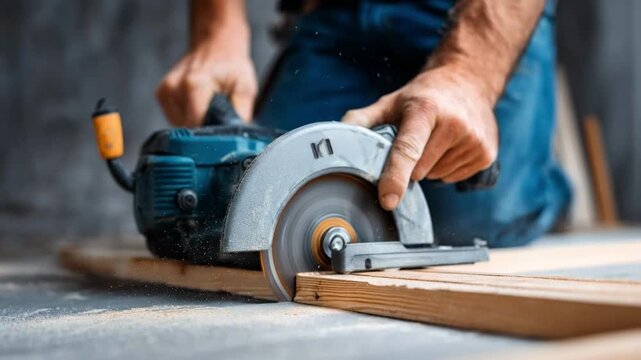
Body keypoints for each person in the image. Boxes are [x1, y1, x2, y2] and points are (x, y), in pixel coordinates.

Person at [155, 0, 571, 247]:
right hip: (330, 12)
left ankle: (539, 185)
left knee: (471, 221)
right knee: (252, 195)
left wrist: (468, 73)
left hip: (471, 11)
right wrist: (217, 31)